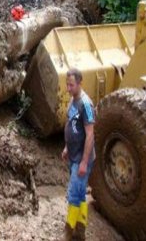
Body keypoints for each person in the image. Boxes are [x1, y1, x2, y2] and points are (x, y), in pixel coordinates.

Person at [61, 68, 95, 241]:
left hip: (83, 158)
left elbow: (90, 134)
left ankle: (68, 230)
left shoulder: (86, 104)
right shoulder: (72, 101)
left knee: (73, 193)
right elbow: (70, 126)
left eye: (71, 85)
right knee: (80, 193)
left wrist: (84, 162)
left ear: (80, 82)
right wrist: (67, 147)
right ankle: (80, 230)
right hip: (73, 155)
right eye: (67, 84)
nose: (68, 88)